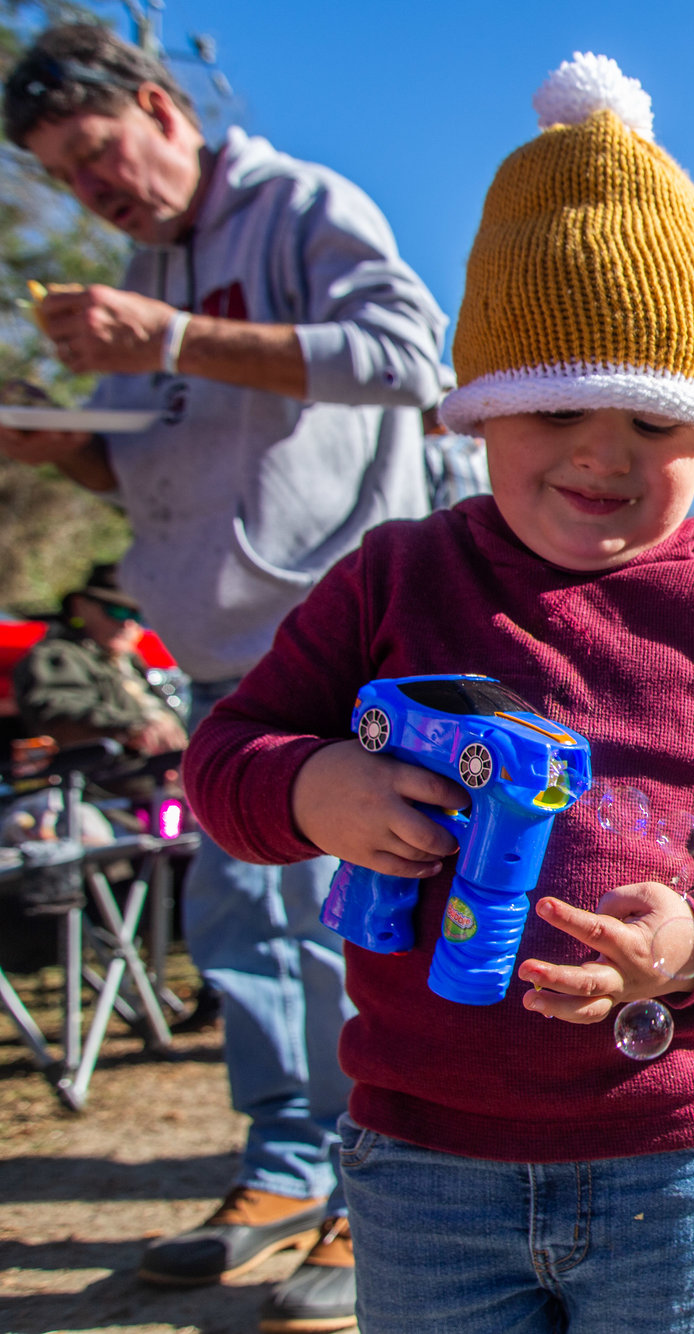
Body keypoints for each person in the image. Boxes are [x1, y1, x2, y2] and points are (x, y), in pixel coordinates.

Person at [182, 54, 694, 1334]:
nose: (599, 451)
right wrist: (312, 785)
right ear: (478, 415)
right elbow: (226, 755)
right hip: (420, 1155)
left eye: (649, 419)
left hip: (682, 1149)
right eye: (554, 403)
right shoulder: (396, 574)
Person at [0, 26, 449, 1329]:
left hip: (348, 643)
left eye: (96, 155)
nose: (95, 191)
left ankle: (390, 1178)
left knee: (368, 916)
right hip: (217, 658)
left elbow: (407, 357)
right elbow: (166, 471)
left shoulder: (299, 207)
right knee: (245, 924)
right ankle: (285, 1167)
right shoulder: (141, 277)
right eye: (64, 179)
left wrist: (176, 336)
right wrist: (54, 446)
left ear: (158, 104)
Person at [13, 564, 186, 756]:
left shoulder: (129, 662)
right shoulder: (60, 655)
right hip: (106, 778)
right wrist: (133, 727)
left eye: (137, 615)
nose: (127, 624)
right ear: (79, 606)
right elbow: (57, 714)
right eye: (117, 611)